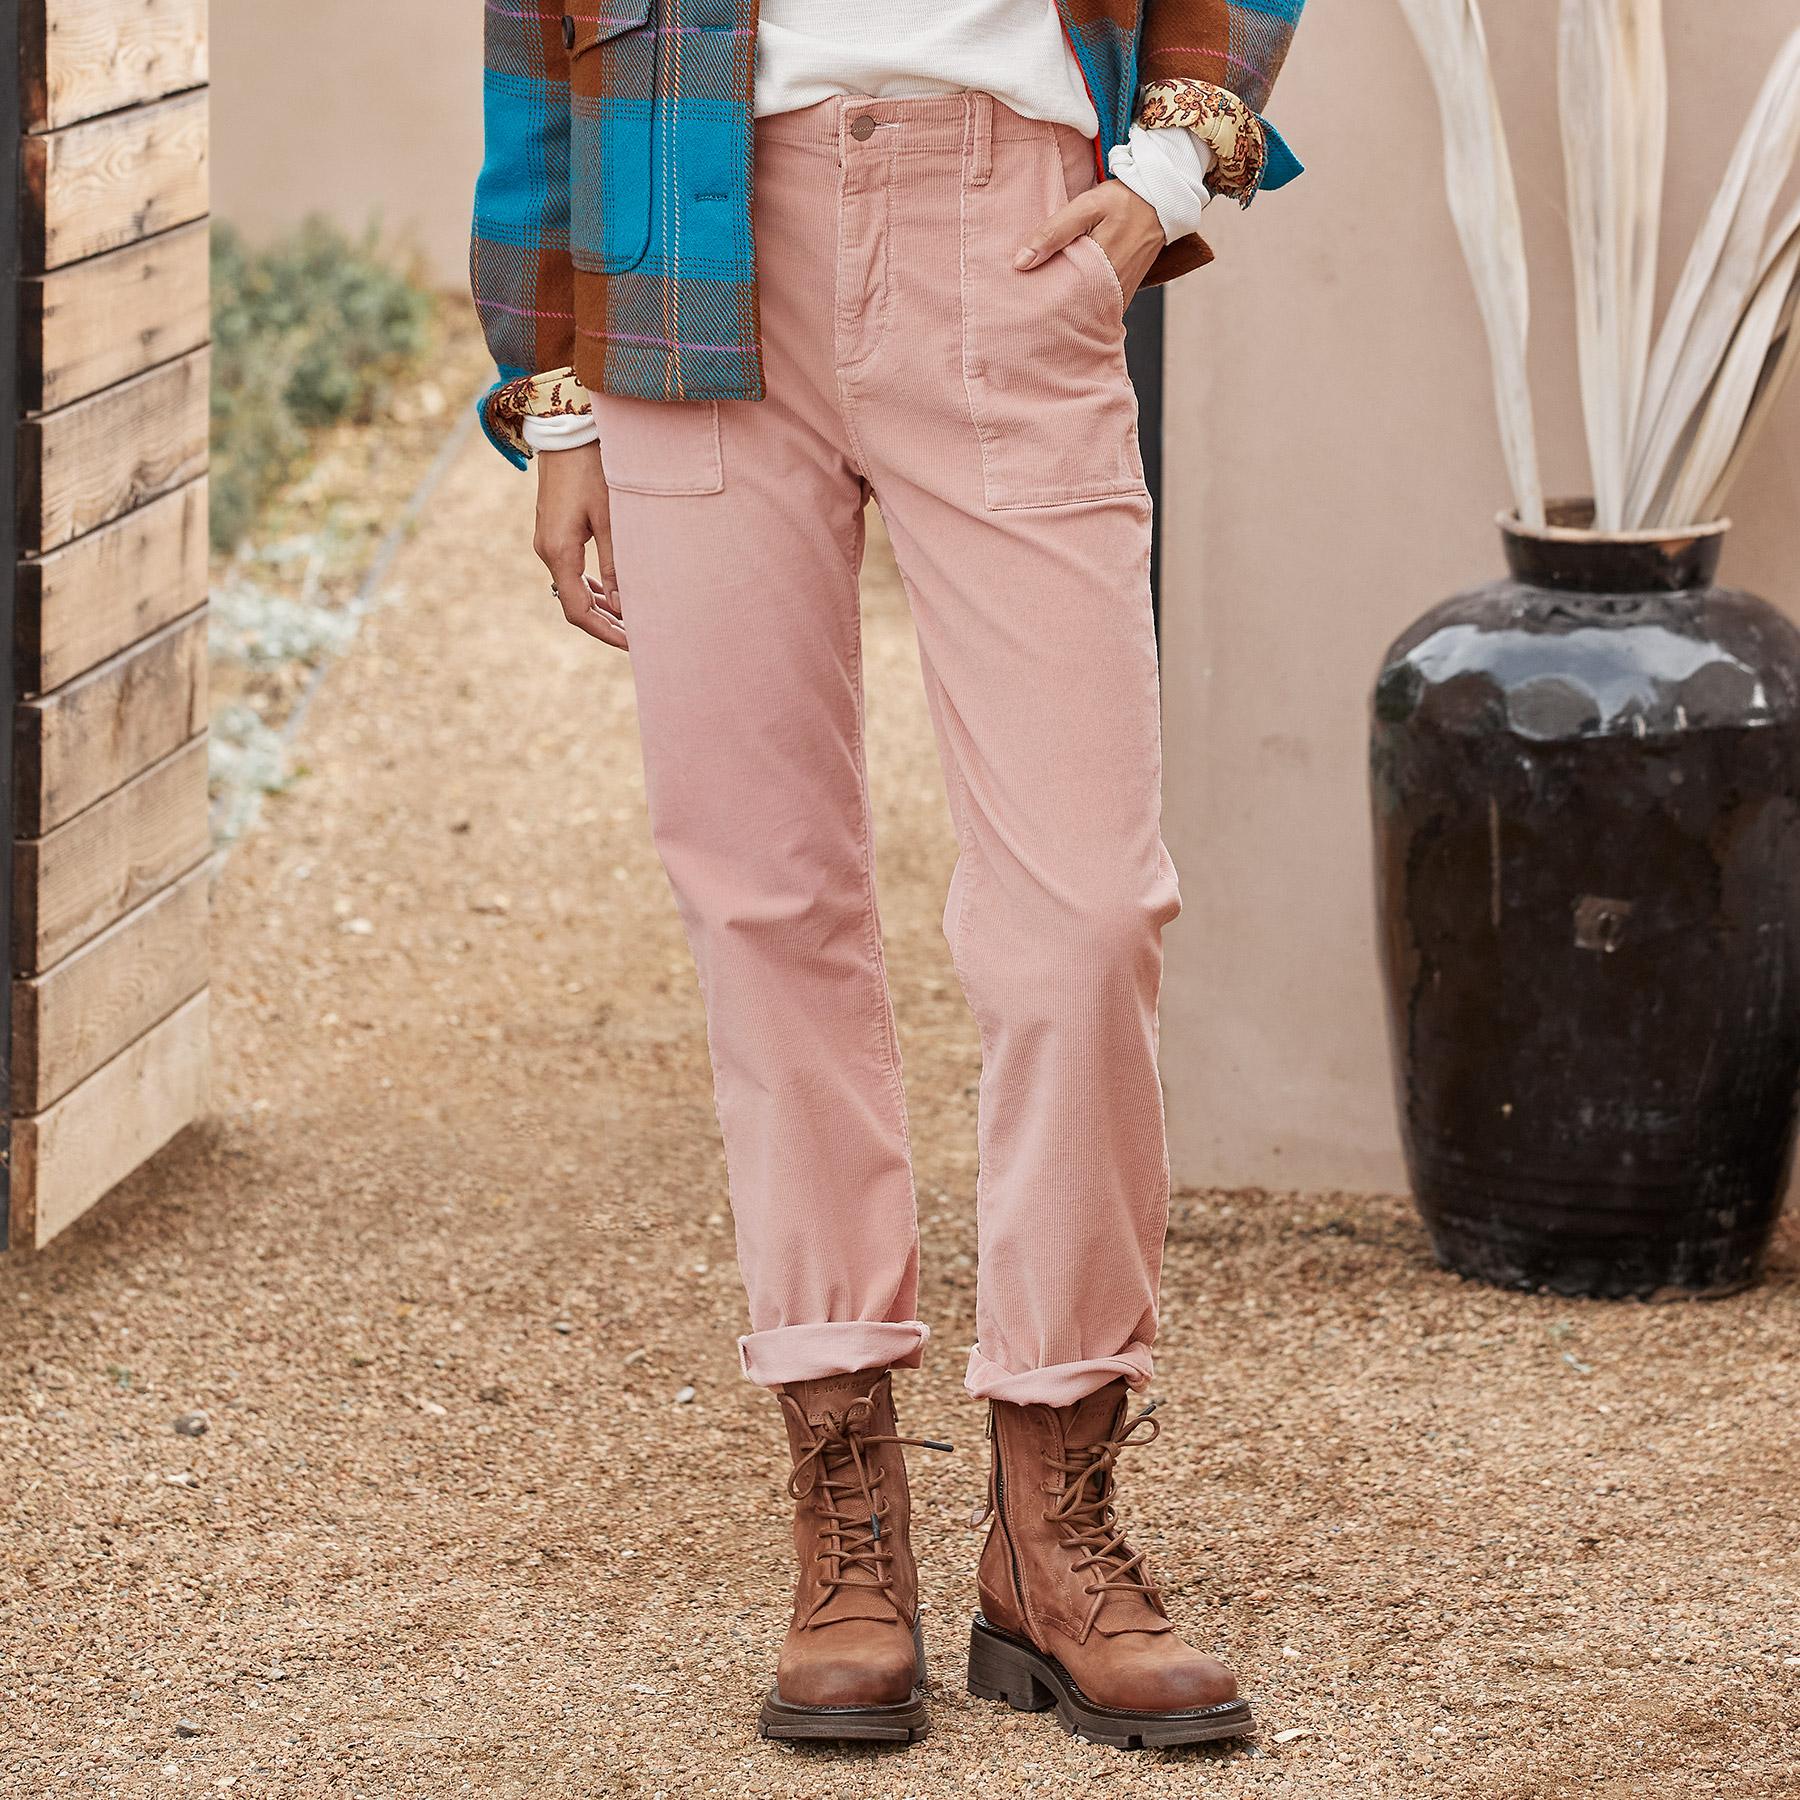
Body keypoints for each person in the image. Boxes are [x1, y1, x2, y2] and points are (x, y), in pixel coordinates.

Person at [471, 0, 1307, 1751]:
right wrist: (553, 400)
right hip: (682, 243)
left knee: (1086, 909)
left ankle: (1054, 1524)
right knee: (764, 896)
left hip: (1010, 229)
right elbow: (534, 36)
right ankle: (845, 1514)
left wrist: (1172, 169)